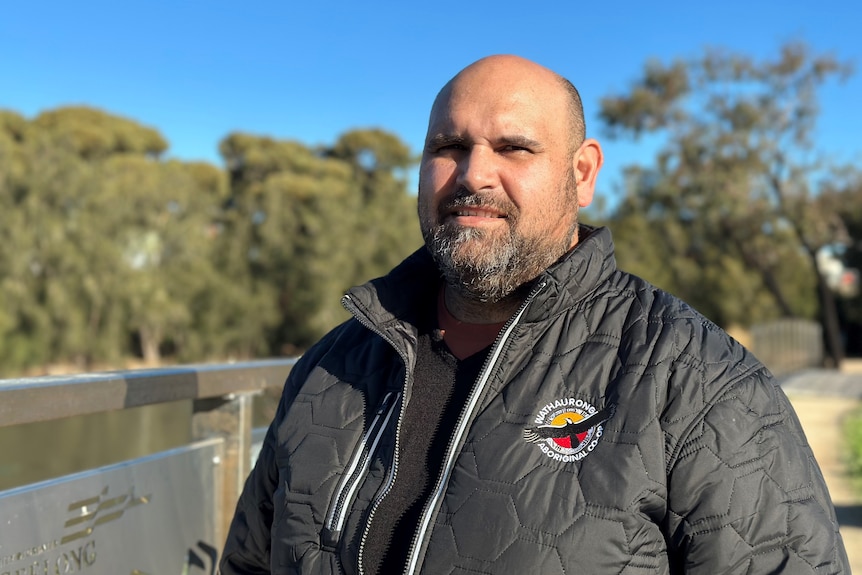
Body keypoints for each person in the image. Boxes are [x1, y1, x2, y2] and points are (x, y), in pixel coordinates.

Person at [219, 55, 850, 574]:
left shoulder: (701, 382)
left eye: (514, 148)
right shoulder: (330, 370)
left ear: (582, 174)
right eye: (448, 146)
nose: (473, 175)